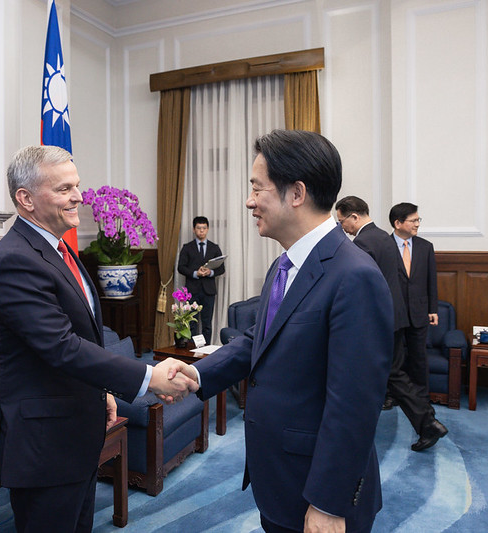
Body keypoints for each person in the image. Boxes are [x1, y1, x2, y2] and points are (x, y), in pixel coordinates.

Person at [169, 130, 393, 533]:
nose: (249, 201)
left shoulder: (355, 275)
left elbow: (355, 405)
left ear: (297, 193)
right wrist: (198, 373)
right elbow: (260, 339)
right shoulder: (284, 265)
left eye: (258, 188)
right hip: (278, 479)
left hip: (318, 492)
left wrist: (327, 503)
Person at [0, 145, 197, 532]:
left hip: (73, 434)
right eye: (64, 189)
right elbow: (63, 347)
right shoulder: (15, 260)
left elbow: (82, 337)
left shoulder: (57, 248)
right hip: (43, 446)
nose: (79, 196)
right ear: (25, 199)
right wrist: (149, 377)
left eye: (77, 186)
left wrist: (101, 390)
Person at [336, 196, 447, 452]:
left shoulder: (363, 242)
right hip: (394, 316)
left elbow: (362, 287)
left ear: (354, 217)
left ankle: (426, 423)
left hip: (378, 320)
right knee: (392, 372)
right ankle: (427, 422)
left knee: (388, 373)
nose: (342, 227)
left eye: (342, 221)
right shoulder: (384, 239)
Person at [389, 202, 438, 404]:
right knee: (393, 358)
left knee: (419, 357)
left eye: (418, 220)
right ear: (398, 223)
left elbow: (431, 280)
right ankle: (391, 396)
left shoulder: (426, 247)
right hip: (393, 312)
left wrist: (433, 309)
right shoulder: (384, 246)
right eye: (413, 220)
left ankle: (420, 398)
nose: (418, 224)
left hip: (419, 311)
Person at [177, 216, 225, 343]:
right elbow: (181, 267)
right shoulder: (187, 247)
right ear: (194, 229)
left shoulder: (214, 247)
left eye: (204, 228)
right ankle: (191, 349)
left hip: (209, 291)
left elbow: (221, 269)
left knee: (207, 323)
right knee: (191, 323)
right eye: (199, 228)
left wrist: (210, 272)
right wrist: (195, 273)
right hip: (192, 290)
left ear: (208, 229)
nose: (201, 231)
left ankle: (207, 349)